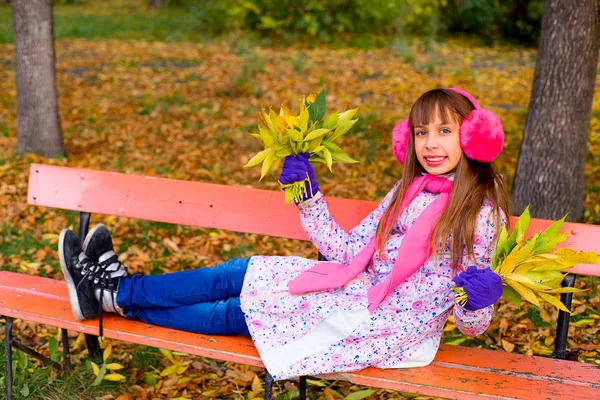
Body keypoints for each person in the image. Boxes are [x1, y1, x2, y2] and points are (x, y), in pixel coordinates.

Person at [58, 87, 510, 381]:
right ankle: (115, 290)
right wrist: (307, 194)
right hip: (349, 290)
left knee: (234, 315)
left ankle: (109, 295)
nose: (430, 144)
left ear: (473, 137)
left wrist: (479, 299)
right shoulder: (406, 191)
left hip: (380, 326)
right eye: (420, 132)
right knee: (240, 272)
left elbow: (471, 326)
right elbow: (348, 252)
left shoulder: (480, 214)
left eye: (444, 131)